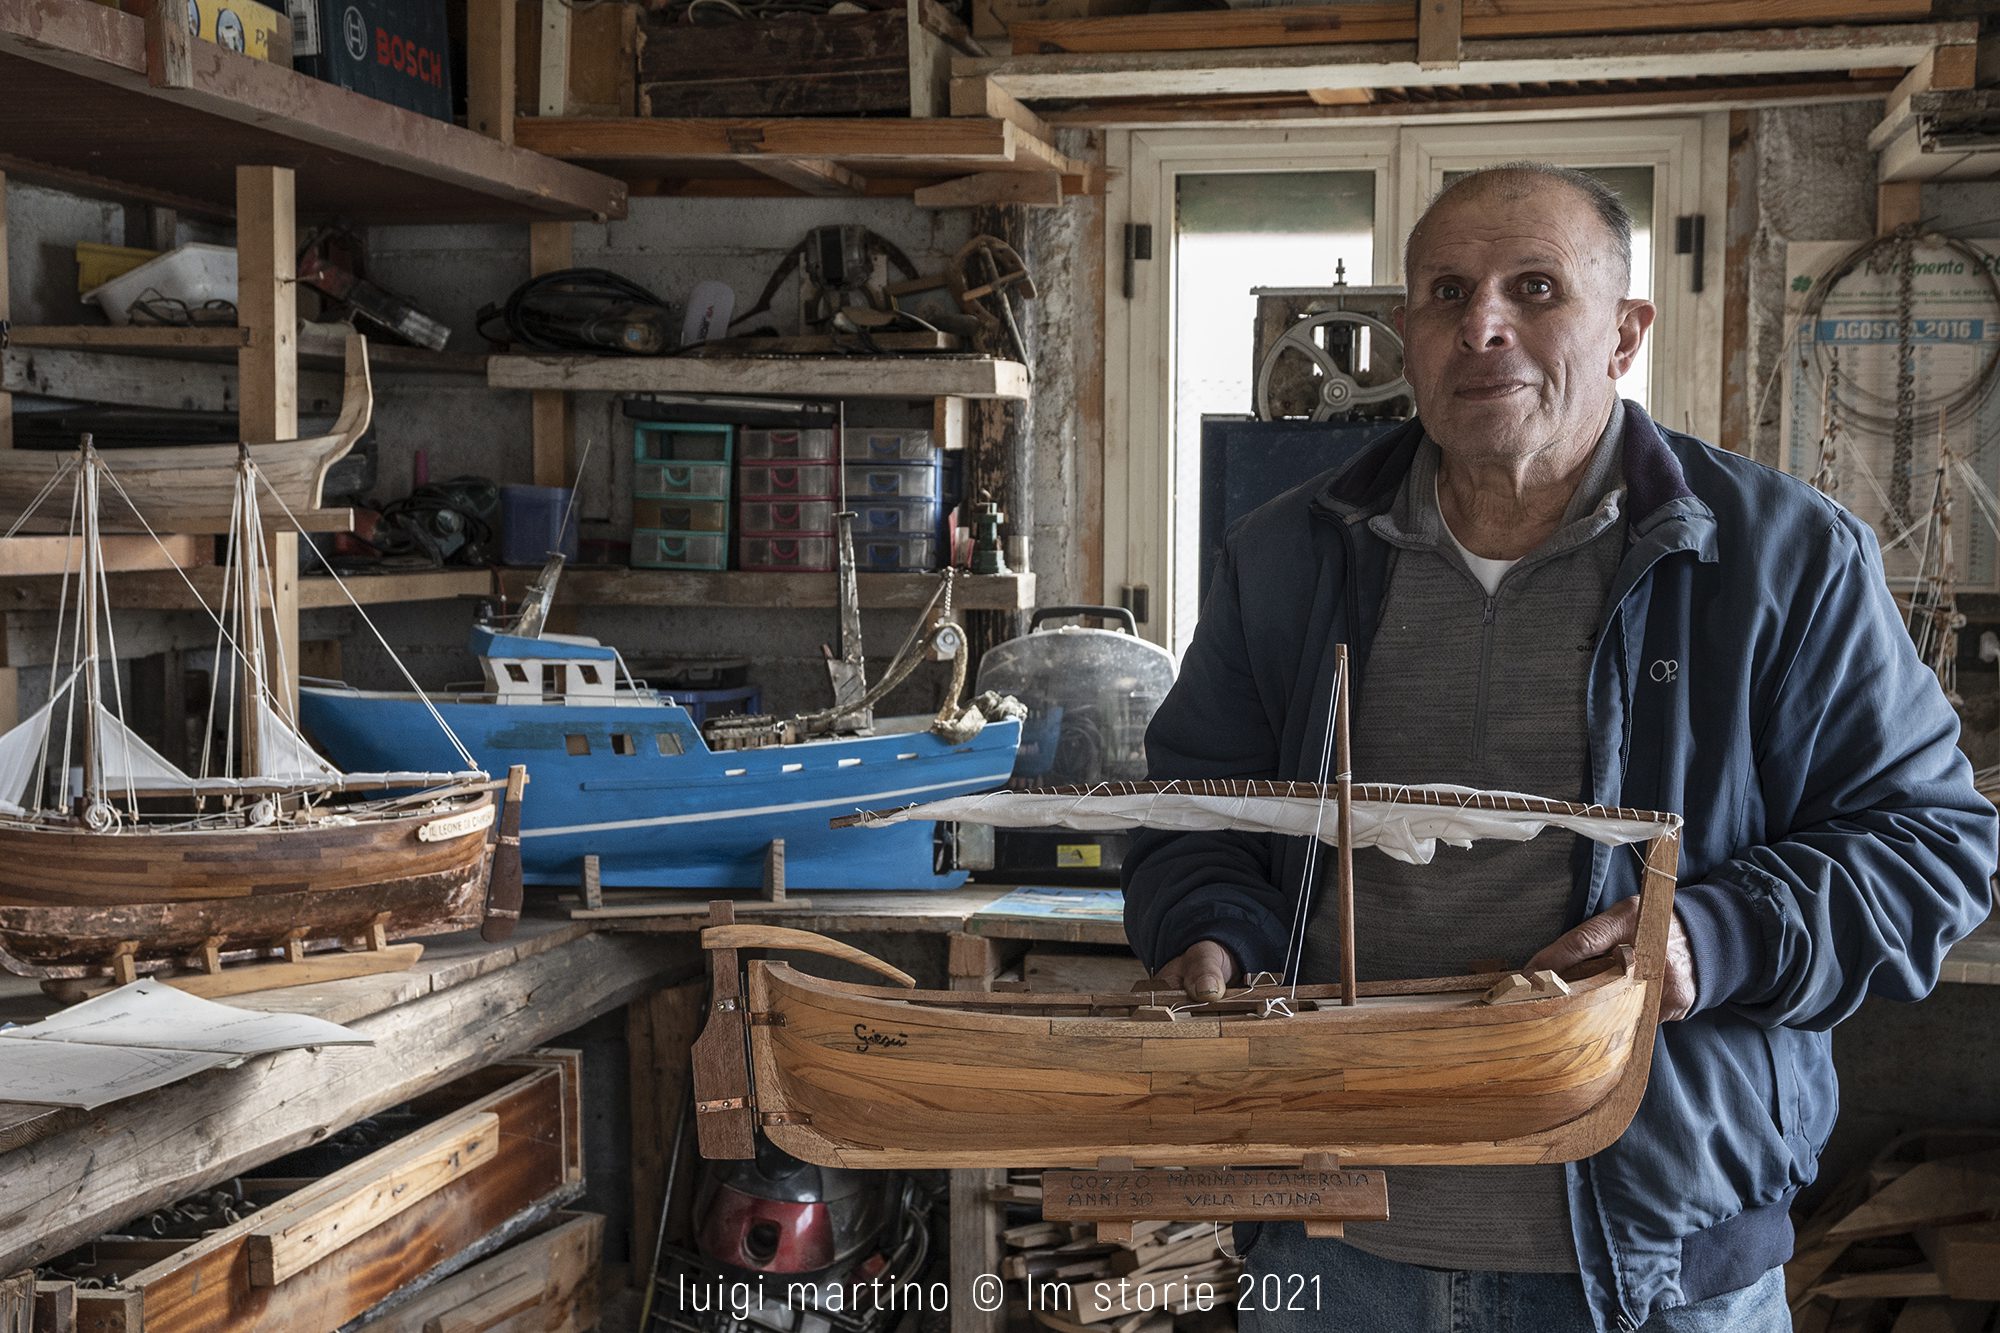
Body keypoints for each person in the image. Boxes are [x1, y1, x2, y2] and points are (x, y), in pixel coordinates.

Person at [1121, 162, 1998, 1333]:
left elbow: (1931, 846)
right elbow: (1191, 808)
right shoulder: (1287, 557)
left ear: (1625, 331)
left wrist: (1702, 939)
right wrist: (1209, 930)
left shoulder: (1783, 559)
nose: (1481, 324)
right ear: (1405, 334)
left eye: (1533, 287)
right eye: (1443, 292)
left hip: (1653, 1267)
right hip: (1337, 1247)